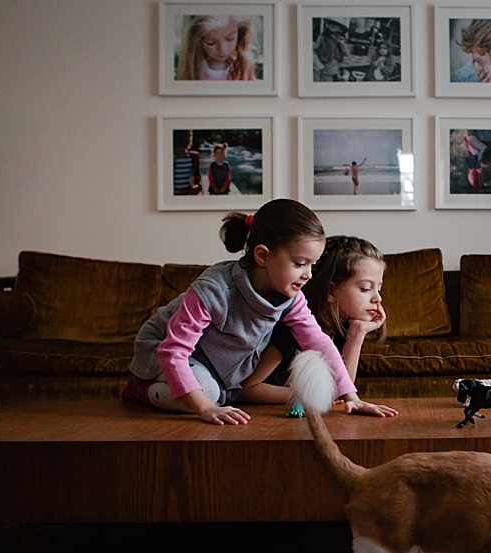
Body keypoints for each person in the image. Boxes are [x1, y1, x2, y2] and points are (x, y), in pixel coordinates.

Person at [122, 199, 397, 425]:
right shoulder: (214, 290)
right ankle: (141, 390)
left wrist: (351, 396)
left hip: (213, 366)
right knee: (209, 395)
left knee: (218, 394)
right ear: (263, 256)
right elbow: (173, 352)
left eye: (312, 265)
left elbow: (319, 342)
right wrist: (206, 408)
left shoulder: (291, 296)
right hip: (164, 352)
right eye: (301, 263)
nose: (308, 275)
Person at [242, 235, 387, 399]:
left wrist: (358, 332)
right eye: (365, 288)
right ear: (332, 291)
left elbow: (342, 391)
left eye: (379, 289)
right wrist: (308, 396)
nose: (378, 298)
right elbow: (248, 389)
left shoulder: (341, 328)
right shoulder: (294, 331)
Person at [177, 15, 256, 81]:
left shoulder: (244, 65)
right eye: (210, 43)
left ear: (240, 32)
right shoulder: (194, 68)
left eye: (230, 39)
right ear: (196, 41)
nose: (223, 50)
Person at [173, 129, 202, 195]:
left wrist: (196, 187)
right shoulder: (171, 157)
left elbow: (197, 178)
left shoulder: (193, 156)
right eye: (189, 135)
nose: (190, 138)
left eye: (190, 136)